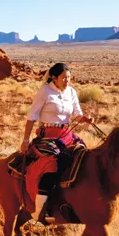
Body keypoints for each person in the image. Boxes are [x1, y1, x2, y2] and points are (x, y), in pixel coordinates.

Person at [21, 62, 93, 225]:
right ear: (54, 78)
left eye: (69, 78)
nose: (67, 81)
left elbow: (76, 114)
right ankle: (40, 212)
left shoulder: (72, 92)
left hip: (67, 134)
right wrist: (25, 140)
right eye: (64, 78)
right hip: (48, 136)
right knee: (52, 164)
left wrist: (85, 119)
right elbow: (32, 116)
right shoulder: (45, 92)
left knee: (84, 157)